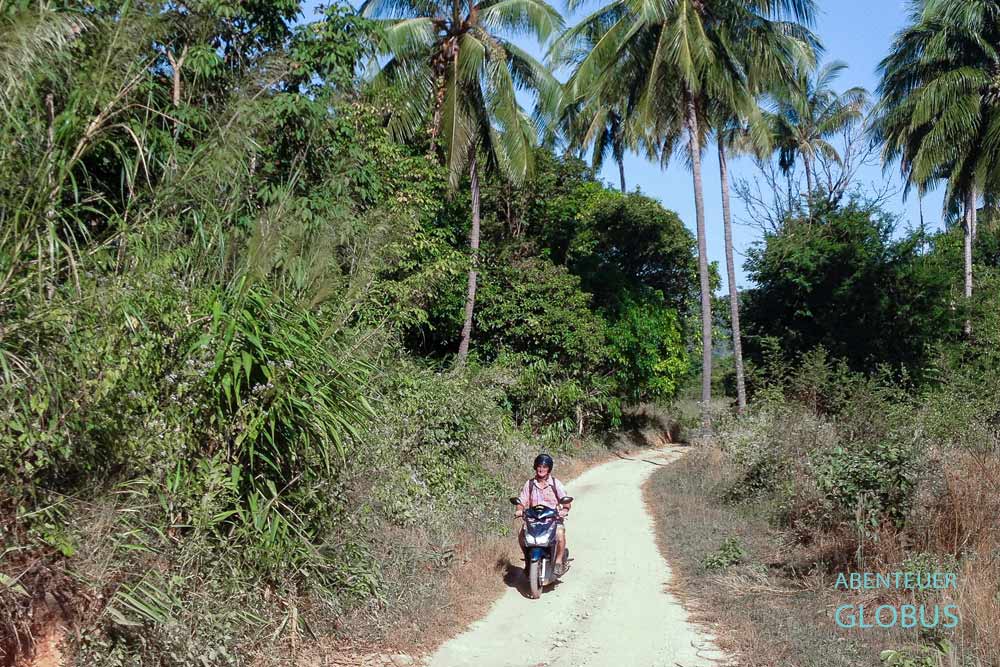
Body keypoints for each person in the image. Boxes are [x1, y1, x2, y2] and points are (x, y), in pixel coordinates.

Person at [514, 453, 571, 576]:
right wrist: (519, 509)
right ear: (535, 467)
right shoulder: (529, 484)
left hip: (552, 520)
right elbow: (521, 501)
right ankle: (528, 561)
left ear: (549, 469)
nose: (541, 469)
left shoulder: (556, 484)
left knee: (560, 534)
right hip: (534, 520)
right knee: (522, 536)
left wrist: (564, 510)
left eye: (545, 467)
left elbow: (566, 502)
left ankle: (558, 562)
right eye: (539, 466)